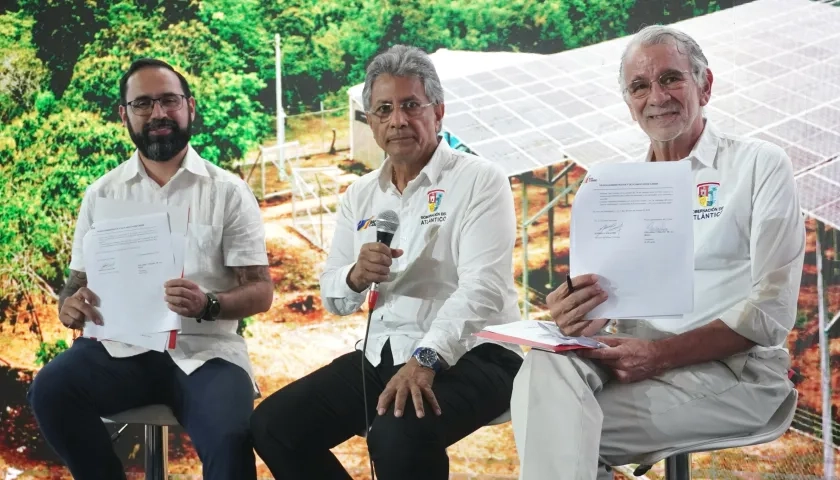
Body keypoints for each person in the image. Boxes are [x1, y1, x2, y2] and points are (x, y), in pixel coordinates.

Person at [510, 25, 806, 480]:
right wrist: (576, 314)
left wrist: (659, 354)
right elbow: (606, 308)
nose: (656, 96)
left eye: (671, 78)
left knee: (556, 431)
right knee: (544, 368)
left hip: (734, 372)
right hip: (632, 359)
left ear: (705, 85)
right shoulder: (619, 186)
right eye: (639, 86)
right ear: (629, 103)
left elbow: (770, 311)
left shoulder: (758, 165)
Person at [249, 45, 524, 480]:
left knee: (396, 434)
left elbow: (483, 288)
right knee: (274, 426)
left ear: (438, 112)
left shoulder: (479, 179)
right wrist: (355, 276)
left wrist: (426, 358)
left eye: (411, 105)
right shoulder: (360, 194)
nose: (398, 120)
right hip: (383, 354)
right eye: (384, 109)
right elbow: (334, 298)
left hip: (477, 353)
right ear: (371, 122)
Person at [27, 58, 273, 480]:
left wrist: (208, 303)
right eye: (143, 103)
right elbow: (76, 285)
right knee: (50, 389)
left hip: (207, 353)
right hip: (116, 351)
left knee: (231, 442)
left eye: (169, 100)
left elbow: (261, 291)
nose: (158, 112)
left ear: (189, 108)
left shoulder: (228, 192)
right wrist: (69, 306)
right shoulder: (101, 195)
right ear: (124, 114)